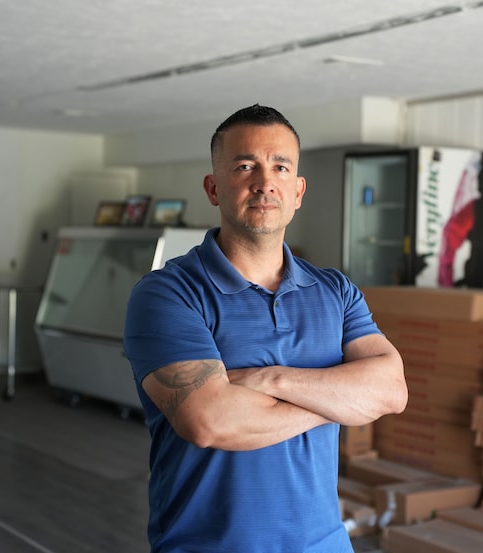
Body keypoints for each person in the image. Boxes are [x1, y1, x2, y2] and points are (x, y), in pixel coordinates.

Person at [123, 104, 408, 553]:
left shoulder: (335, 290)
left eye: (280, 166)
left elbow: (390, 390)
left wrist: (267, 379)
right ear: (214, 188)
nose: (264, 182)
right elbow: (210, 420)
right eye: (244, 166)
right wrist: (340, 400)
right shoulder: (167, 294)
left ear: (298, 190)